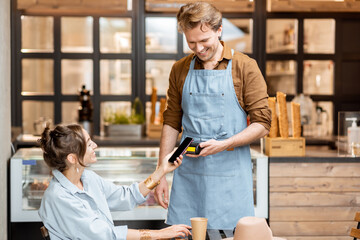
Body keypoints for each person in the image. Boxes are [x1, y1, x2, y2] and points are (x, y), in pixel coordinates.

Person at [154, 2, 271, 230]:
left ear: (219, 30)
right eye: (191, 42)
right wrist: (160, 174)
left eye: (204, 41)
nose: (198, 48)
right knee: (184, 234)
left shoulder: (244, 67)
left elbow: (262, 123)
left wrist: (225, 143)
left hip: (230, 174)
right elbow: (171, 122)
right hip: (189, 173)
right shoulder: (180, 69)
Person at [38, 124, 191, 240]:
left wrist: (162, 170)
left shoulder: (88, 178)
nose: (95, 146)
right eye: (89, 143)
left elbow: (127, 196)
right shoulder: (58, 197)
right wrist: (159, 234)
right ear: (72, 158)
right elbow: (106, 235)